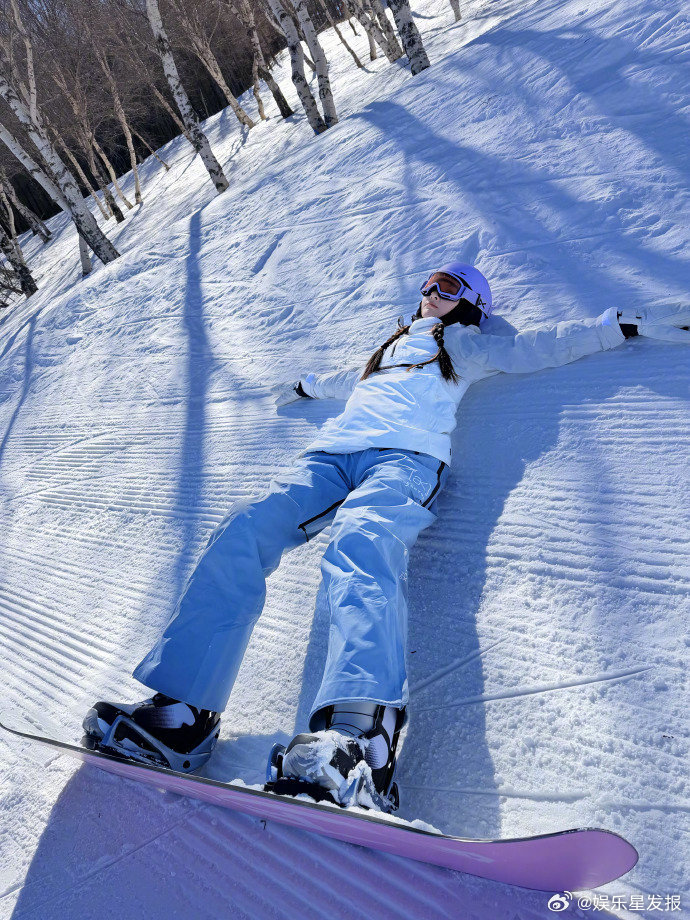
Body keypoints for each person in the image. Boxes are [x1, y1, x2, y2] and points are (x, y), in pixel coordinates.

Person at [83, 262, 689, 811]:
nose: (431, 292)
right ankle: (183, 714)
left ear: (471, 301)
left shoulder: (463, 344)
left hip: (405, 460)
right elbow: (346, 380)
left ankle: (359, 739)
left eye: (447, 286)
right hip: (330, 458)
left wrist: (618, 324)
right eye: (427, 284)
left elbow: (539, 347)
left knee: (361, 544)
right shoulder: (389, 348)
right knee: (242, 530)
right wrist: (307, 386)